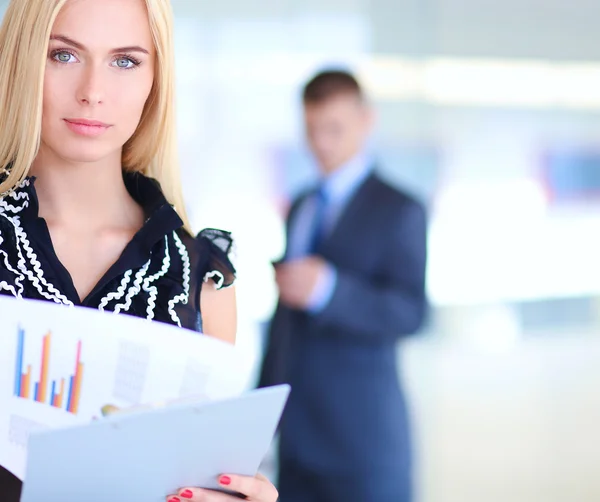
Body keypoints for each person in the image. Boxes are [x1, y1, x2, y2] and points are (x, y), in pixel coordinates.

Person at [0, 1, 278, 501]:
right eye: (63, 55)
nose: (93, 92)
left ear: (156, 81)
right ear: (21, 59)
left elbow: (197, 479)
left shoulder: (204, 286)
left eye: (125, 61)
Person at [258, 70, 428, 502]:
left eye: (335, 129)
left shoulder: (400, 209)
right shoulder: (300, 205)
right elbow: (286, 323)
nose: (322, 143)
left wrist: (330, 292)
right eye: (313, 130)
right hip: (297, 442)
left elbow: (412, 312)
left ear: (366, 121)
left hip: (364, 444)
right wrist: (260, 415)